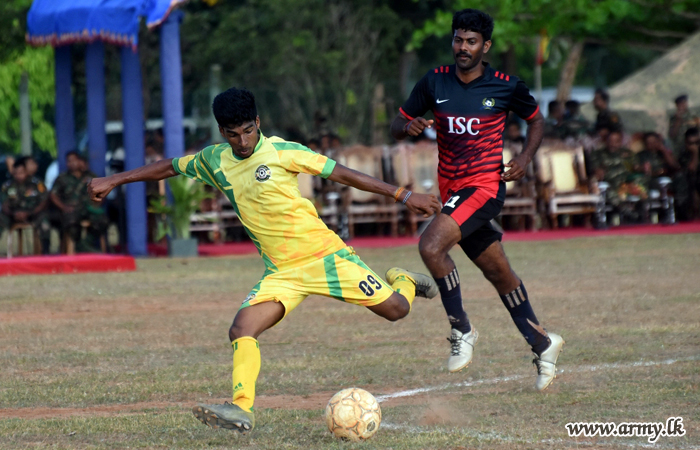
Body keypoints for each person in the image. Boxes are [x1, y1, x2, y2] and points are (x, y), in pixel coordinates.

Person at [88, 87, 442, 433]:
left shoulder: (283, 152)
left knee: (397, 310)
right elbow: (170, 167)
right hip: (282, 273)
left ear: (258, 122)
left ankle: (403, 280)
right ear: (221, 132)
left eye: (248, 131)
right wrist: (115, 179)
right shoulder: (214, 160)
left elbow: (342, 173)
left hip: (326, 258)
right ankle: (241, 409)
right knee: (242, 329)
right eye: (232, 134)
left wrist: (403, 194)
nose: (242, 142)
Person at [389, 8, 563, 392]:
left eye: (471, 42)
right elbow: (397, 124)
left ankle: (461, 329)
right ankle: (542, 342)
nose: (462, 48)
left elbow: (536, 119)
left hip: (484, 188)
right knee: (498, 272)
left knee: (431, 246)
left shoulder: (506, 85)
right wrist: (409, 126)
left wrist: (523, 158)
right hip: (452, 193)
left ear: (486, 46)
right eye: (458, 39)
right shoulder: (434, 81)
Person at [51, 151, 108, 253]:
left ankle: (86, 244)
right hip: (72, 210)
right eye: (69, 161)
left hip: (89, 209)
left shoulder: (91, 176)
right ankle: (78, 244)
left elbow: (102, 191)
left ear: (80, 161)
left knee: (102, 220)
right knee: (71, 222)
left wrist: (98, 204)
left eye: (74, 160)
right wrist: (63, 207)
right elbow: (53, 195)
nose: (72, 163)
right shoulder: (62, 178)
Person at [0, 157, 50, 250]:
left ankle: (45, 253)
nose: (18, 176)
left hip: (33, 213)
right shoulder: (7, 186)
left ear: (26, 171)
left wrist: (29, 213)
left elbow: (44, 202)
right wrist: (13, 214)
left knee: (44, 221)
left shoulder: (37, 183)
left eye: (21, 173)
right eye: (16, 173)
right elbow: (4, 204)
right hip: (13, 214)